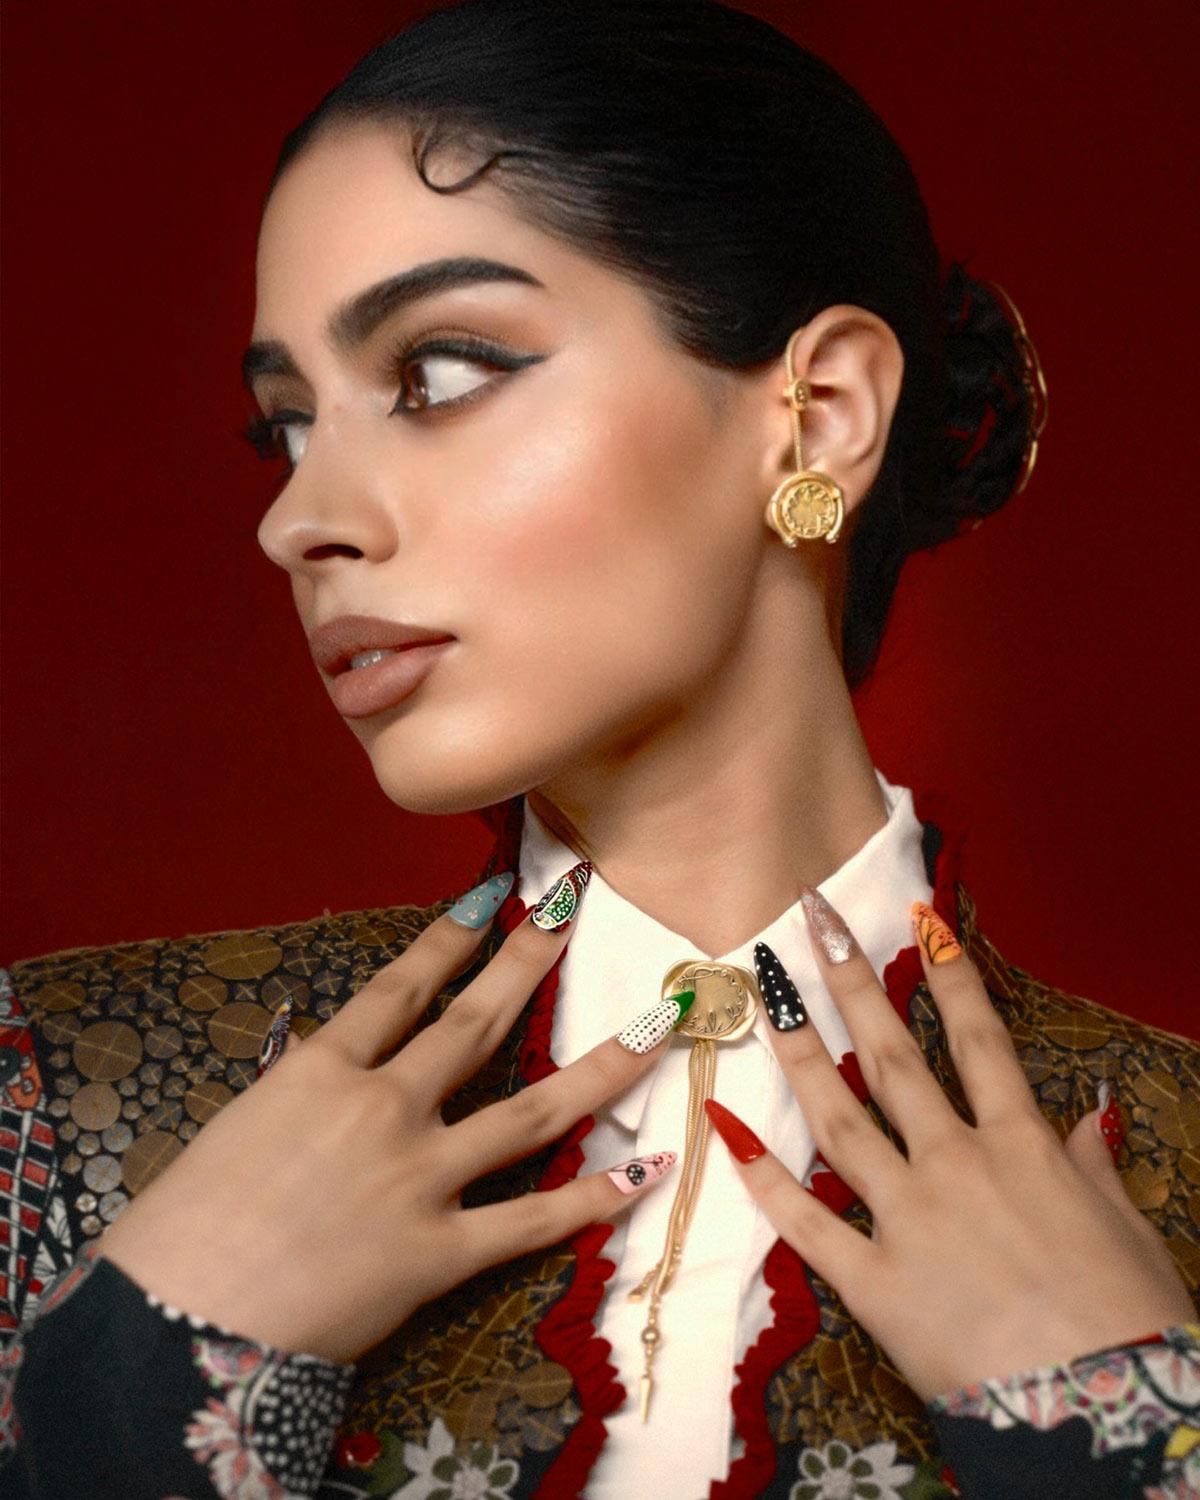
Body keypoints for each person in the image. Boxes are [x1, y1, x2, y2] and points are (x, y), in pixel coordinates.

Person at [2, 1, 1197, 1496]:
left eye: (439, 375)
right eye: (288, 426)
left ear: (819, 415)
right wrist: (144, 1380)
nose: (299, 520)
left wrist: (1128, 1428)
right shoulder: (68, 1094)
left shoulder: (1168, 1152)